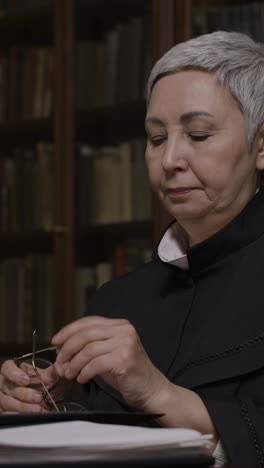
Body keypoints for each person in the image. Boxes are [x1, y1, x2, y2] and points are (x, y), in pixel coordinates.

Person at [1, 30, 264, 466]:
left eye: (197, 135)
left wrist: (157, 392)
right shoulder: (116, 300)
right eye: (156, 138)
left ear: (260, 147)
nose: (169, 160)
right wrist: (46, 410)